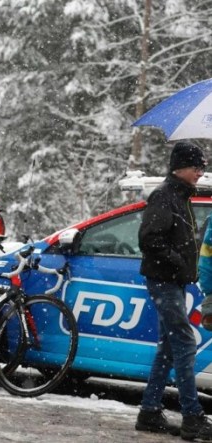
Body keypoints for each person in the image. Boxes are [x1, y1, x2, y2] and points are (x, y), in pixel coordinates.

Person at [137, 141, 209, 440]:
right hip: (163, 281)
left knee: (168, 347)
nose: (200, 173)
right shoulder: (165, 197)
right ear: (180, 167)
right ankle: (192, 416)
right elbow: (149, 238)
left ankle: (149, 412)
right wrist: (178, 262)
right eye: (196, 168)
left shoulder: (181, 197)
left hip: (173, 281)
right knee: (183, 343)